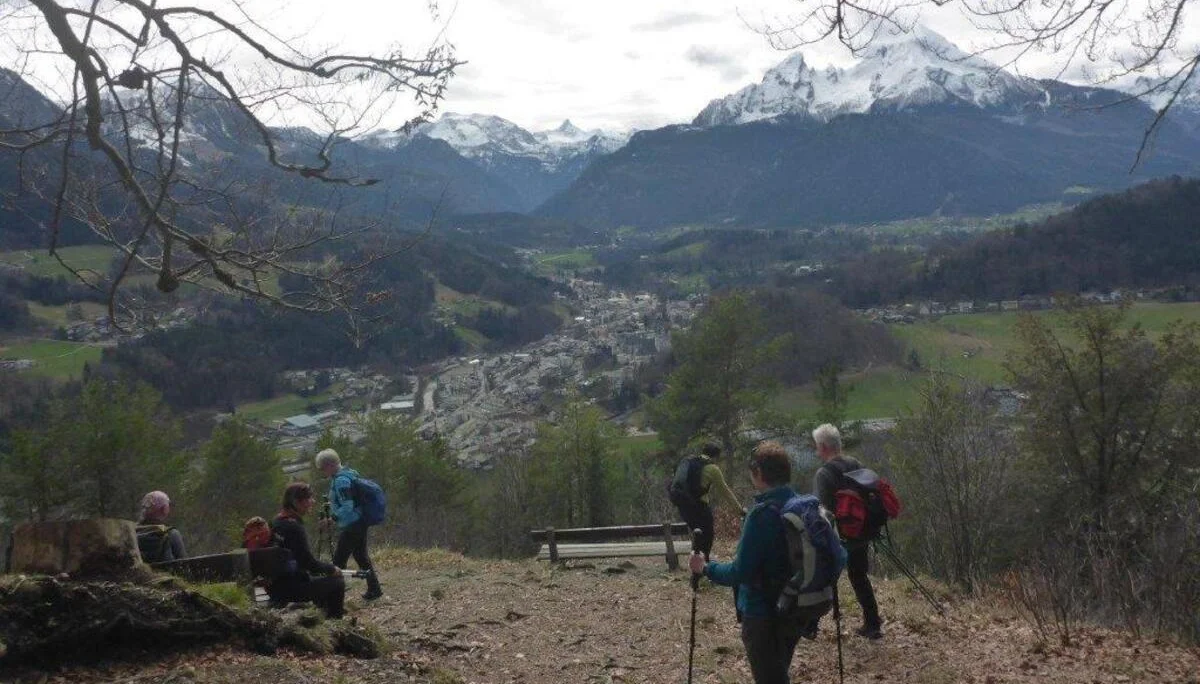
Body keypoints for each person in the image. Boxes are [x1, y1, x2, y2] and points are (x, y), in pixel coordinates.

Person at [689, 441, 801, 684]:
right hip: (795, 606)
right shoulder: (800, 505)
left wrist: (706, 567)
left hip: (762, 612)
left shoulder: (760, 516)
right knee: (779, 669)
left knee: (769, 677)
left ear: (759, 473)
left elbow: (739, 572)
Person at [811, 423, 883, 640]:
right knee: (859, 577)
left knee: (821, 577)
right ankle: (873, 624)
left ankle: (810, 625)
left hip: (837, 536)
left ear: (824, 447)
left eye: (817, 446)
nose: (816, 451)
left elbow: (822, 511)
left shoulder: (823, 474)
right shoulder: (855, 463)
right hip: (861, 531)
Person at [268, 481, 347, 619]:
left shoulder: (276, 521)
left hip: (274, 587)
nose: (313, 501)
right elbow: (308, 563)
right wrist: (332, 569)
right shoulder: (294, 527)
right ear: (296, 502)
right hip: (290, 588)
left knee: (321, 579)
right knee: (338, 583)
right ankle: (334, 622)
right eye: (309, 498)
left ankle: (321, 617)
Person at [315, 448, 383, 600]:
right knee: (361, 556)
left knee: (339, 561)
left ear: (329, 465)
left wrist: (332, 518)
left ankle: (332, 596)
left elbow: (347, 506)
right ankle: (375, 590)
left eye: (322, 468)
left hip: (353, 524)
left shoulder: (341, 481)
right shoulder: (350, 473)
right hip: (359, 521)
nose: (322, 471)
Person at [669, 443, 746, 561]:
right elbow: (725, 492)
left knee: (697, 534)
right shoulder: (713, 468)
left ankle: (697, 564)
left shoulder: (690, 462)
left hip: (683, 505)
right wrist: (740, 510)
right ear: (715, 456)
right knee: (708, 535)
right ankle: (703, 565)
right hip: (699, 507)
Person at [135, 491, 186, 563]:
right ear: (165, 509)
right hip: (167, 573)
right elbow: (185, 564)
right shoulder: (172, 534)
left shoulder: (131, 533)